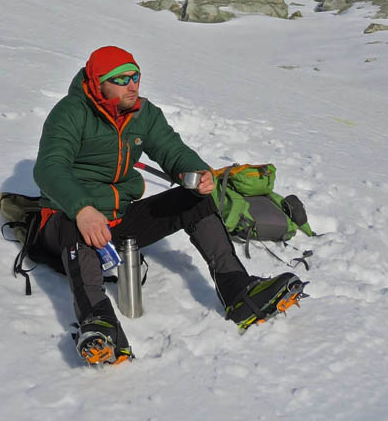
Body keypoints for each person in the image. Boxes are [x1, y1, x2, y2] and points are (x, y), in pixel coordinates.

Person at [33, 45, 302, 365]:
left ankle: (239, 292)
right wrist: (82, 209)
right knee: (77, 228)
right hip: (64, 223)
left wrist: (198, 173)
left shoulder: (143, 114)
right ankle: (99, 324)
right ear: (98, 83)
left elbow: (172, 150)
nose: (132, 84)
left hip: (117, 219)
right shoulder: (71, 112)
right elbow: (49, 168)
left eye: (135, 76)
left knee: (193, 201)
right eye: (121, 79)